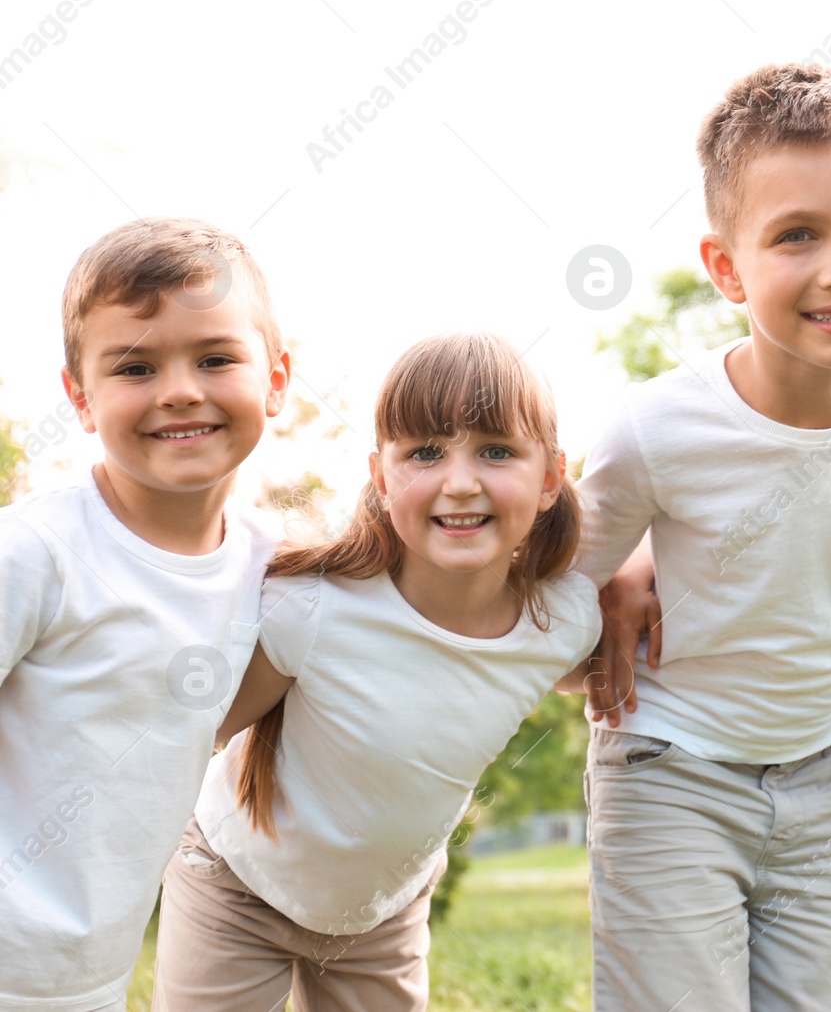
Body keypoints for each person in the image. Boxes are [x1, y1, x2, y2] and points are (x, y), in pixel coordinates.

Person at [576, 63, 831, 1011]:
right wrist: (619, 572)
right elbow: (553, 606)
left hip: (819, 778)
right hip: (667, 771)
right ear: (725, 268)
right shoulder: (658, 430)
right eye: (797, 235)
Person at [150, 334, 601, 1011]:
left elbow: (557, 669)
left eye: (497, 449)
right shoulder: (315, 608)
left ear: (549, 478)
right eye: (424, 451)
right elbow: (200, 731)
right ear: (381, 476)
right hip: (234, 881)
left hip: (381, 911)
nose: (460, 480)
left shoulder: (561, 622)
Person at [0, 218, 290, 1012]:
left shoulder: (275, 567)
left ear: (277, 376)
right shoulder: (34, 554)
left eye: (216, 357)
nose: (180, 389)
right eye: (135, 365)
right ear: (80, 397)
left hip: (92, 970)